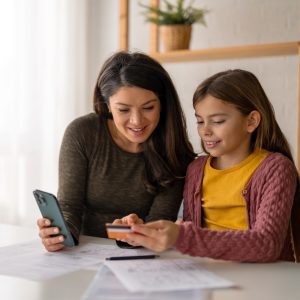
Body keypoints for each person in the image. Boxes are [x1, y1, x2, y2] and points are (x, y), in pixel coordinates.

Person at [122, 69, 300, 263]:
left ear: (251, 121)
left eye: (217, 121)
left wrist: (181, 236)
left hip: (263, 278)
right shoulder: (196, 169)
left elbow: (267, 244)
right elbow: (191, 237)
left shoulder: (276, 169)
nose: (205, 131)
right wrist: (143, 233)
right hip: (208, 273)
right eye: (200, 121)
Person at [37, 51, 195, 252]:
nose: (137, 121)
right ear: (107, 105)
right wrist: (58, 234)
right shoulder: (83, 133)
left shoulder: (175, 149)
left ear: (162, 104)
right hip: (83, 251)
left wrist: (138, 230)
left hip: (141, 258)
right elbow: (70, 206)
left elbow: (159, 224)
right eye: (123, 110)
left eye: (148, 108)